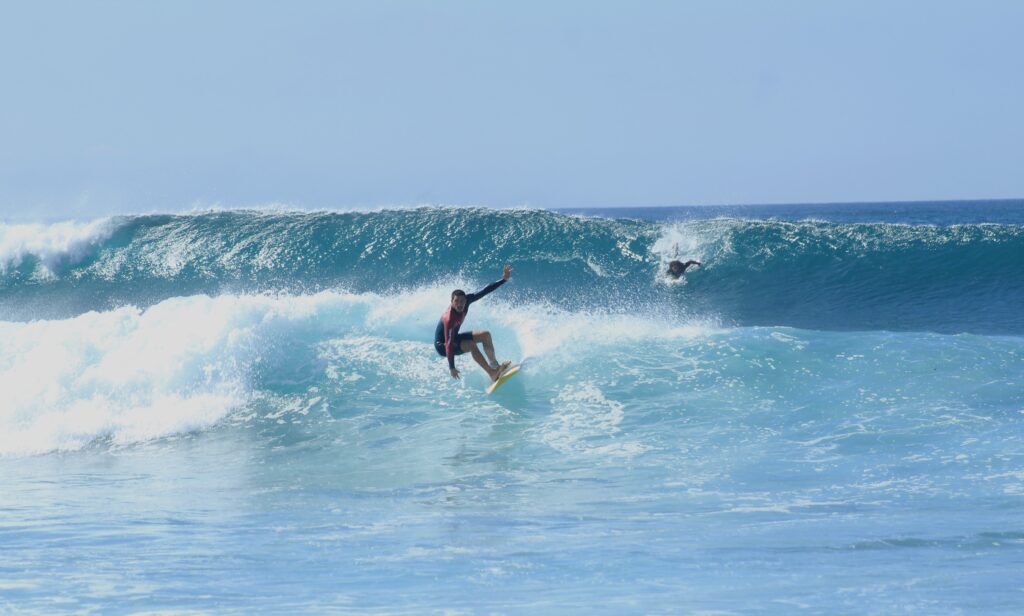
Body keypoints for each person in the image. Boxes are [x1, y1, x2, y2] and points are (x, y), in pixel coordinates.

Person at [435, 264, 513, 381]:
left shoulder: (467, 301)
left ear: (466, 300)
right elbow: (449, 344)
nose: (460, 304)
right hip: (443, 346)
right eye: (456, 301)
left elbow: (485, 290)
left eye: (462, 301)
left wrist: (504, 279)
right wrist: (452, 367)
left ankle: (494, 366)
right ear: (451, 302)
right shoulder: (449, 319)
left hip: (454, 338)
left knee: (485, 335)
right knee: (471, 345)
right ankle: (492, 373)